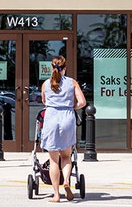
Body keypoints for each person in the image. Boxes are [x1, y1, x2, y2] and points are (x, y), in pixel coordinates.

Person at [40, 55, 87, 202]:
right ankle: (66, 180)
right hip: (67, 119)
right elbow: (83, 102)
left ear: (52, 68)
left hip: (51, 119)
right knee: (66, 156)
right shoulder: (72, 83)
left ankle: (56, 194)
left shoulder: (46, 84)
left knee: (54, 161)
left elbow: (44, 101)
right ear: (64, 69)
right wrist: (72, 107)